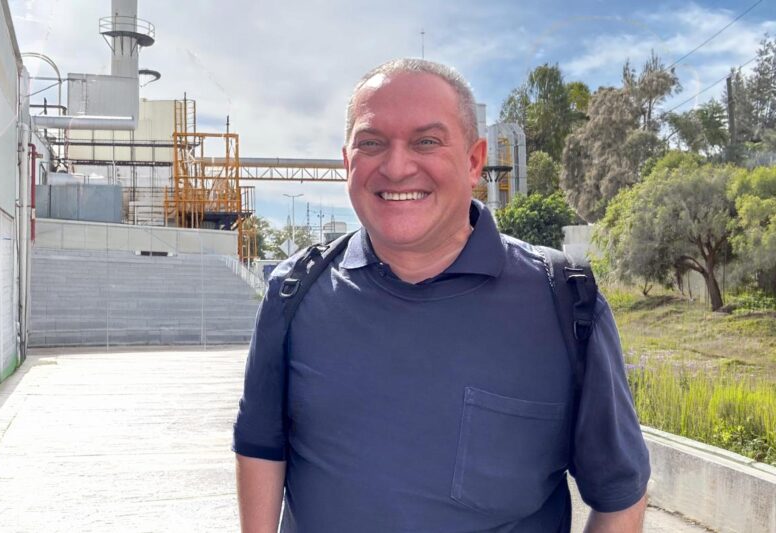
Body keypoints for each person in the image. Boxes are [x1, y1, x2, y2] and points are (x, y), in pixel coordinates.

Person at [233, 58, 650, 533]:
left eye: (426, 141)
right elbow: (260, 447)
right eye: (371, 144)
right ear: (347, 162)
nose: (396, 166)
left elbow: (620, 495)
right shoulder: (294, 293)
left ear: (474, 161)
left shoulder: (563, 303)